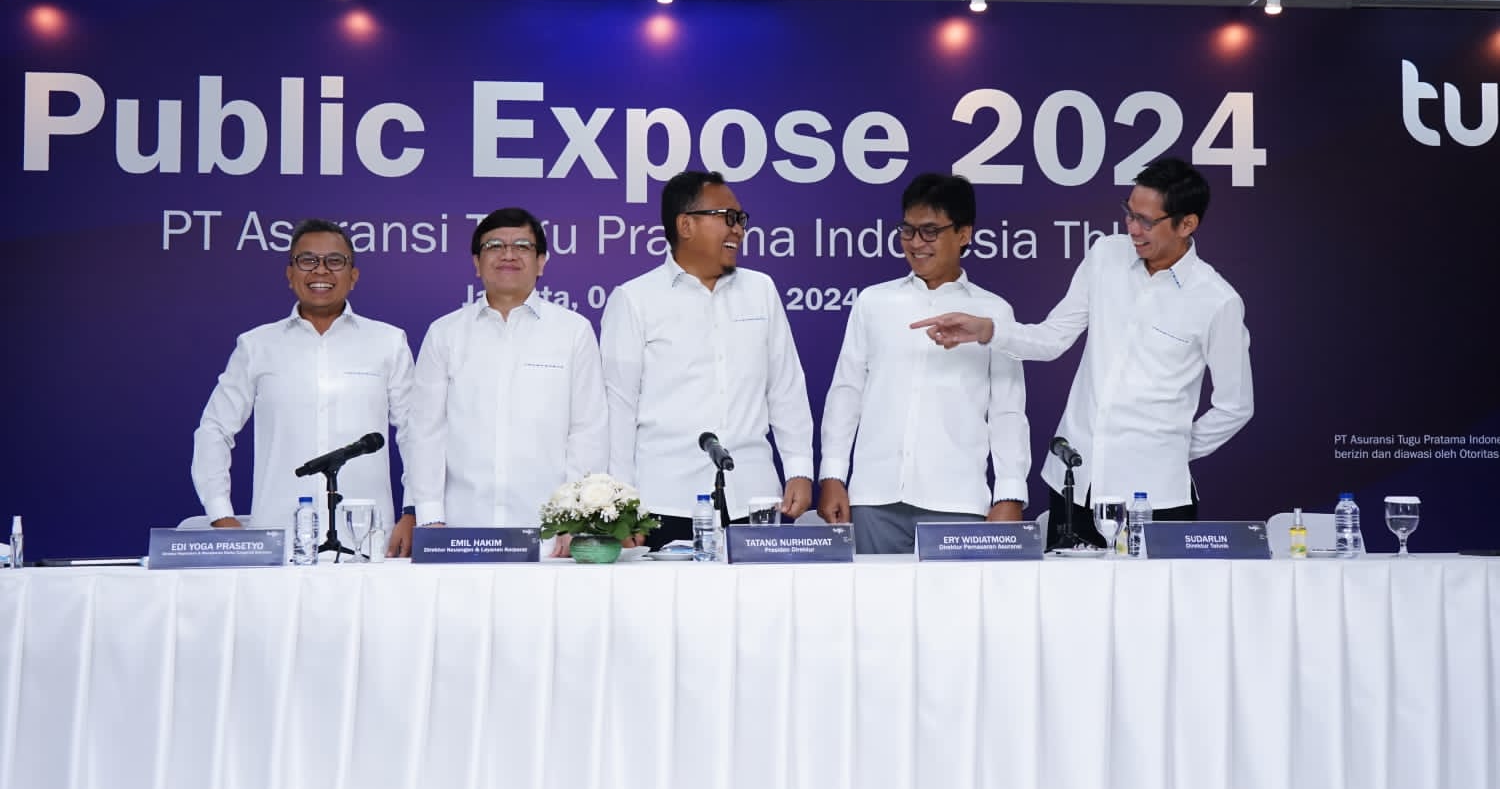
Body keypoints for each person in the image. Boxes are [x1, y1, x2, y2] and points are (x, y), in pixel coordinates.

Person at [913, 157, 1253, 548]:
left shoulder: (1217, 300)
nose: (1132, 228)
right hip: (1075, 483)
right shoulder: (1106, 255)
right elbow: (1054, 337)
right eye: (1129, 213)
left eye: (1145, 221)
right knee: (1065, 588)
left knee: (1155, 591)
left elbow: (1235, 406)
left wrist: (1171, 448)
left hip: (1155, 497)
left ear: (1187, 224)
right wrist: (989, 331)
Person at [817, 173, 1029, 554]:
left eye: (930, 231)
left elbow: (1008, 412)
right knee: (872, 596)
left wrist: (1010, 493)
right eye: (908, 230)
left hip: (957, 501)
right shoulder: (873, 303)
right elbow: (846, 393)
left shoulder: (993, 313)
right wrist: (833, 474)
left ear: (963, 234)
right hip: (874, 499)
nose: (916, 243)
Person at [600, 170, 814, 547]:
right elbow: (618, 410)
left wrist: (799, 468)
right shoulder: (634, 299)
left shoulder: (761, 290)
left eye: (741, 219)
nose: (739, 230)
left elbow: (786, 388)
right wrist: (622, 503)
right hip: (664, 503)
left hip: (754, 498)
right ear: (686, 225)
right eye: (727, 218)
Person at [393, 208, 607, 558]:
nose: (508, 254)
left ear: (541, 262)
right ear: (476, 263)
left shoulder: (574, 331)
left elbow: (588, 431)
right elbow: (426, 431)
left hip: (549, 536)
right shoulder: (445, 333)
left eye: (522, 246)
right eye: (495, 246)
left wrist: (575, 518)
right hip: (459, 532)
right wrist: (430, 517)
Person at [191, 218, 413, 550]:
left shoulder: (388, 342)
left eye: (334, 261)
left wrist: (413, 510)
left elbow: (415, 432)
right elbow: (214, 429)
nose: (321, 270)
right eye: (307, 260)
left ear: (353, 276)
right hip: (278, 543)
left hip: (366, 542)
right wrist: (221, 514)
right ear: (290, 274)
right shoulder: (257, 346)